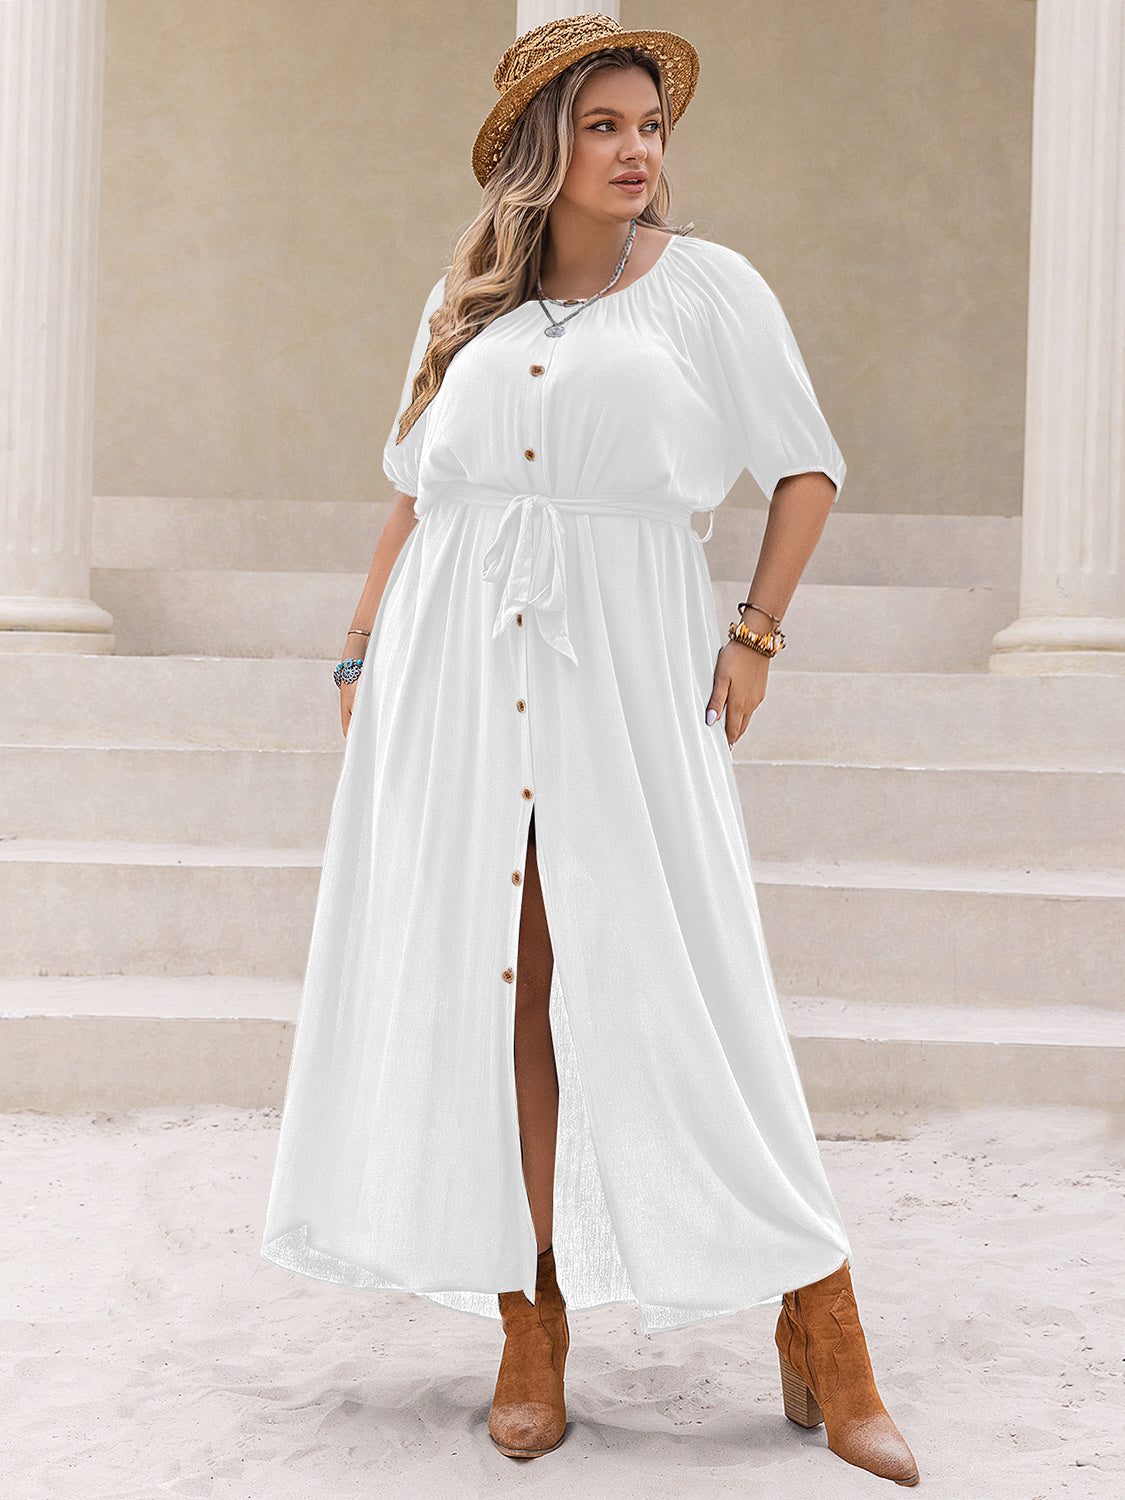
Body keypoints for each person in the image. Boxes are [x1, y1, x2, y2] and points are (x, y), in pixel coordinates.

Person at [261, 12, 919, 1489]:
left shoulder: (707, 287)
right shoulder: (469, 300)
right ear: (542, 148)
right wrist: (361, 642)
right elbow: (420, 485)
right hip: (452, 665)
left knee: (687, 975)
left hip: (626, 662)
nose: (637, 151)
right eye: (606, 126)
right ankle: (531, 1315)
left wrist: (754, 635)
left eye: (651, 127)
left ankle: (822, 1314)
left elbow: (806, 466)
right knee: (506, 984)